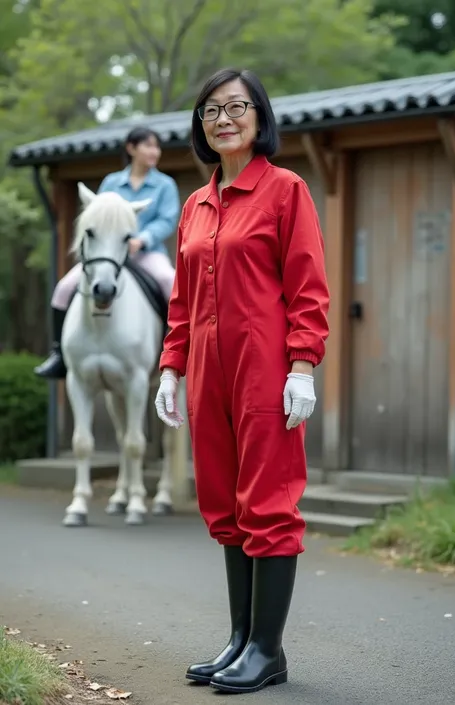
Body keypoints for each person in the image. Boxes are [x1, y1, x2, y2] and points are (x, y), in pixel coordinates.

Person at [155, 68, 330, 694]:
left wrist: (302, 366)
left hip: (264, 369)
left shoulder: (286, 191)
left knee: (268, 504)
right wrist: (172, 368)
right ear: (200, 125)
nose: (223, 118)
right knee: (225, 506)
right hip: (207, 371)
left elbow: (308, 288)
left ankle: (267, 650)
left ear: (259, 116)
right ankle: (239, 641)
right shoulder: (194, 206)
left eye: (236, 106)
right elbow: (181, 299)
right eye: (210, 110)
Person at [34, 126, 180, 379]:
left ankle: (177, 351)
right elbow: (97, 218)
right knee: (63, 289)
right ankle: (59, 353)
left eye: (156, 146)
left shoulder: (165, 185)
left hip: (147, 253)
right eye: (148, 145)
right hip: (109, 256)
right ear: (131, 148)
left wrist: (141, 240)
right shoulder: (111, 182)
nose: (154, 151)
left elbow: (167, 220)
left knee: (170, 282)